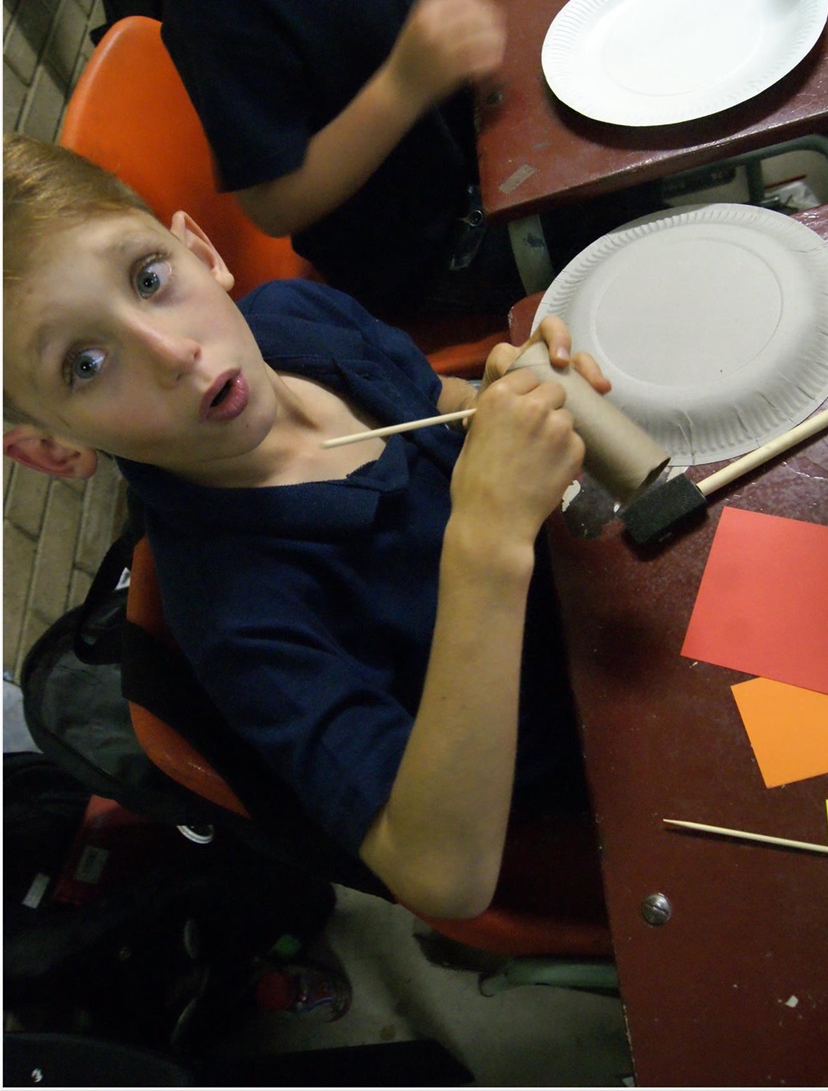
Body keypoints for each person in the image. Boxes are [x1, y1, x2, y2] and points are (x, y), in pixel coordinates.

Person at [4, 132, 612, 920]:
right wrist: (485, 545)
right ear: (52, 450)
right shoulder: (237, 617)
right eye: (84, 365)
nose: (173, 352)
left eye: (149, 278)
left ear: (199, 251)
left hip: (602, 578)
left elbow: (437, 400)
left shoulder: (294, 317)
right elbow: (441, 875)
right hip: (591, 740)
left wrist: (500, 399)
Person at [27, 0, 707, 316]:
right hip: (437, 251)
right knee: (642, 190)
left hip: (484, 141)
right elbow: (273, 201)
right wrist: (402, 86)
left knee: (650, 74)